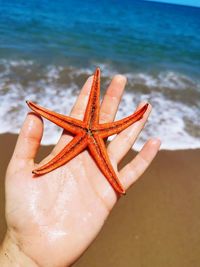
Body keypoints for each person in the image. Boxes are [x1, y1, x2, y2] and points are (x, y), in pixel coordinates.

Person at [0, 74, 160, 266]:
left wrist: (21, 254)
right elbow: (56, 118)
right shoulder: (91, 132)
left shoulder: (93, 133)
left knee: (107, 152)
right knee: (73, 152)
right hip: (89, 133)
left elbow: (121, 124)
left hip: (88, 132)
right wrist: (23, 254)